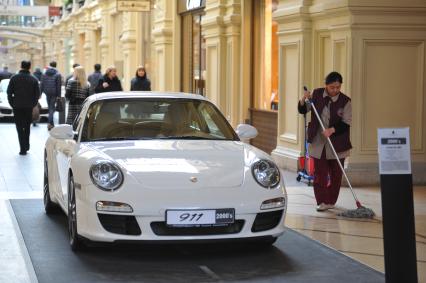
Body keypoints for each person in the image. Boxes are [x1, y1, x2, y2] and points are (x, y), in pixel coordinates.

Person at [297, 71, 352, 212]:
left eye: (338, 87)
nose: (335, 90)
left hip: (338, 143)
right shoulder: (316, 94)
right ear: (326, 85)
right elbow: (303, 110)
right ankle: (321, 201)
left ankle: (331, 201)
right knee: (320, 174)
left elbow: (346, 123)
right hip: (319, 142)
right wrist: (304, 99)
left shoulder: (345, 101)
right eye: (332, 87)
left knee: (336, 174)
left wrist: (332, 130)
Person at [7, 60, 40, 155]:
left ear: (21, 66)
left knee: (19, 127)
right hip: (29, 107)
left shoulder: (14, 78)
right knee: (27, 126)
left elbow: (9, 92)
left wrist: (12, 103)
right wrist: (33, 104)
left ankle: (22, 148)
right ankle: (26, 144)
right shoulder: (33, 79)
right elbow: (37, 94)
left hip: (17, 106)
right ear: (29, 67)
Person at [40, 61, 62, 130]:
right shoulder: (58, 74)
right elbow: (58, 86)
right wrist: (59, 95)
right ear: (56, 66)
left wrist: (40, 93)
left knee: (50, 107)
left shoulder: (44, 73)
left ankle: (51, 124)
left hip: (46, 92)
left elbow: (42, 84)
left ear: (49, 65)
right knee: (51, 108)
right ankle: (50, 123)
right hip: (54, 93)